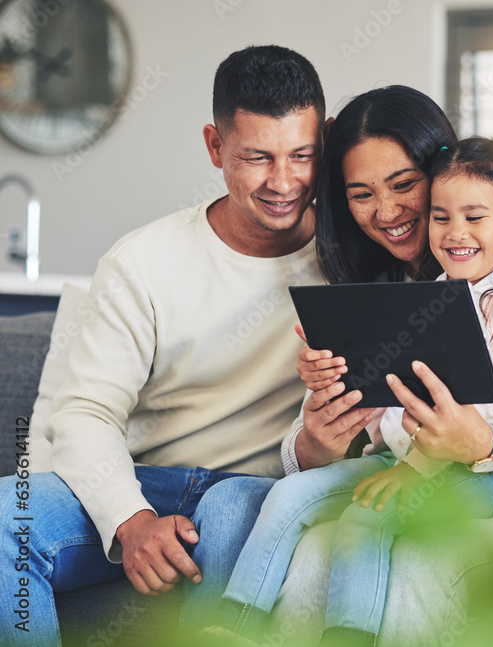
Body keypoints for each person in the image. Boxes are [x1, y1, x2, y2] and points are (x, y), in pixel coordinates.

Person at [0, 45, 328, 646]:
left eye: (302, 155)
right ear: (215, 147)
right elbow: (87, 413)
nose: (284, 182)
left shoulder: (355, 259)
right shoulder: (143, 261)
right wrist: (132, 519)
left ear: (325, 142)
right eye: (257, 157)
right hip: (146, 477)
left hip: (255, 492)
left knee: (231, 513)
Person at [258, 86, 493, 646]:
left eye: (404, 185)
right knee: (298, 534)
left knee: (387, 550)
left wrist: (487, 446)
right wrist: (319, 435)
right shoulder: (370, 278)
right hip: (391, 469)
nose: (387, 212)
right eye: (361, 194)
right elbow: (312, 441)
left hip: (487, 482)